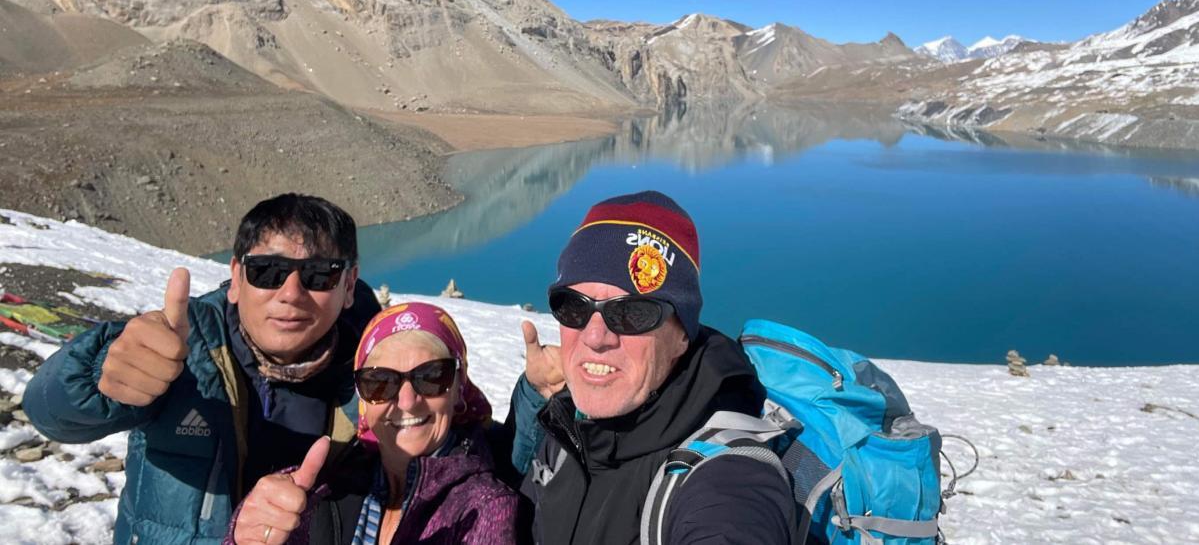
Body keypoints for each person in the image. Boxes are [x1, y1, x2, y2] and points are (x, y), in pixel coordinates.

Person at [23, 193, 382, 545]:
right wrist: (98, 376)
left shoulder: (383, 373)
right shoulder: (179, 345)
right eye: (267, 271)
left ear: (348, 286)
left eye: (320, 276)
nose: (290, 293)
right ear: (236, 279)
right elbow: (50, 415)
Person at [509, 190, 795, 544]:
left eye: (632, 313)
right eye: (573, 306)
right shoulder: (571, 424)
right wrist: (536, 396)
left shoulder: (725, 477)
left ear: (681, 337)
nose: (596, 336)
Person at [227, 301, 519, 544]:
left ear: (459, 387)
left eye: (431, 377)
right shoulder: (325, 488)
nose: (407, 401)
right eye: (380, 383)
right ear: (363, 398)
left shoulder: (484, 507)